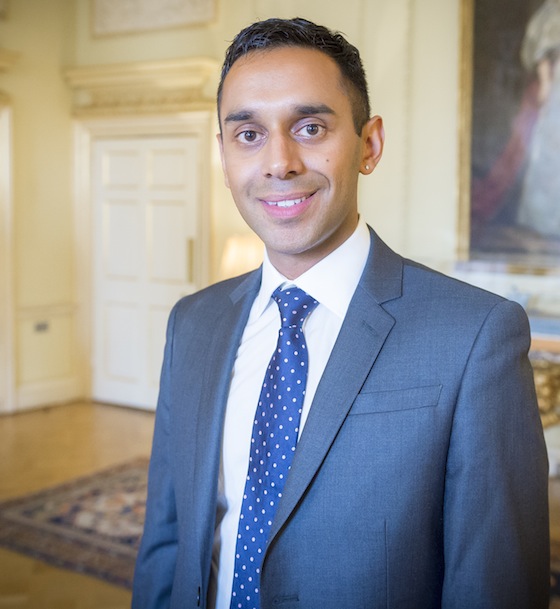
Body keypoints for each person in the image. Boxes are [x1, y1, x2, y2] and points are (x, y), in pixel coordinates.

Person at [132, 17, 550, 609]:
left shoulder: (475, 336)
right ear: (224, 155)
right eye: (248, 134)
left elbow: (495, 584)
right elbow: (167, 539)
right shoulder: (192, 324)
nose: (279, 162)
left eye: (309, 127)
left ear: (369, 145)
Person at [516, 0, 560, 239]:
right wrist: (546, 85)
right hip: (557, 88)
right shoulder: (554, 10)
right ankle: (544, 222)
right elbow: (542, 52)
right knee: (550, 151)